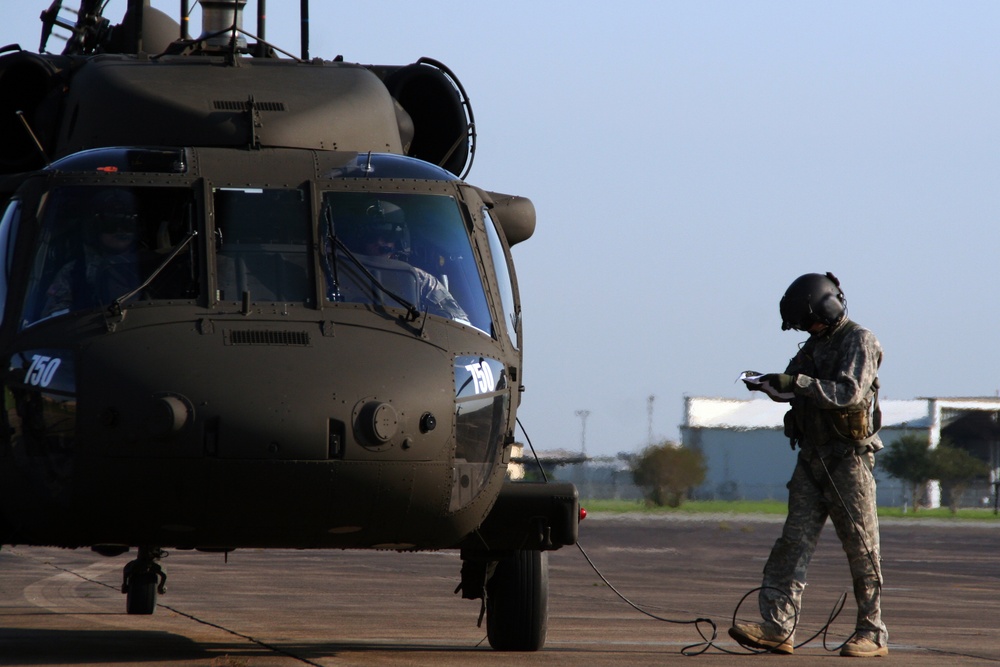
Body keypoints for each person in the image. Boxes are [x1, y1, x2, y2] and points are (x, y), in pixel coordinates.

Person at [731, 272, 888, 658]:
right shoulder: (813, 345)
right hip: (812, 459)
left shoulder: (859, 340)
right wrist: (771, 384)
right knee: (792, 545)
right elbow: (794, 386)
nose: (808, 328)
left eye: (809, 320)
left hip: (848, 462)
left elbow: (849, 394)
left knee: (862, 549)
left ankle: (872, 632)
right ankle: (777, 628)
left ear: (829, 307)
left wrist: (797, 383)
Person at [43, 189, 150, 316]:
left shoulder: (154, 265)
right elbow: (54, 315)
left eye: (127, 225)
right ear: (95, 228)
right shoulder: (74, 271)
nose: (120, 230)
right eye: (110, 225)